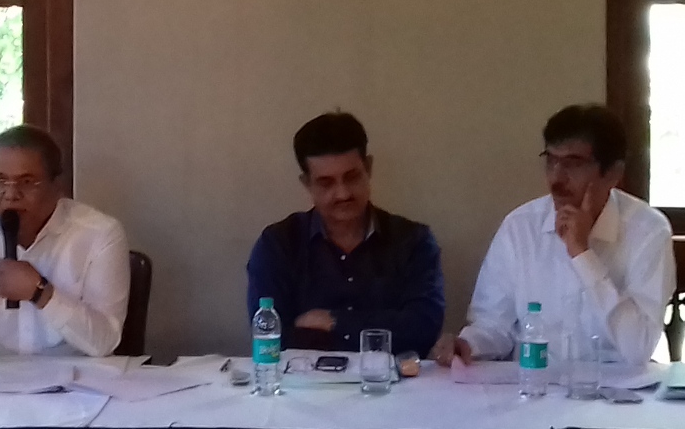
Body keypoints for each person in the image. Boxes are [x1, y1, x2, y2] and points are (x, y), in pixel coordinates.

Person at [432, 104, 675, 366]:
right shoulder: (521, 226)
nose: (557, 178)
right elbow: (493, 325)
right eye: (551, 161)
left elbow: (638, 347)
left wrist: (583, 255)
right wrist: (469, 344)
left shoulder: (648, 231)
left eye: (573, 164)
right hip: (533, 383)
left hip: (611, 386)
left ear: (613, 174)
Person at [246, 112, 445, 357]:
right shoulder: (278, 244)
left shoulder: (413, 241)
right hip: (305, 379)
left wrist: (334, 321)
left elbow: (424, 328)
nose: (343, 194)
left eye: (351, 177)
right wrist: (386, 328)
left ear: (368, 168)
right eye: (326, 183)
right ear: (307, 183)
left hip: (392, 378)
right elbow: (271, 336)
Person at [0, 125, 130, 357]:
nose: (11, 194)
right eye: (0, 181)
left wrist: (41, 293)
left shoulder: (99, 235)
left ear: (57, 186)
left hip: (75, 377)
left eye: (27, 182)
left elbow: (104, 342)